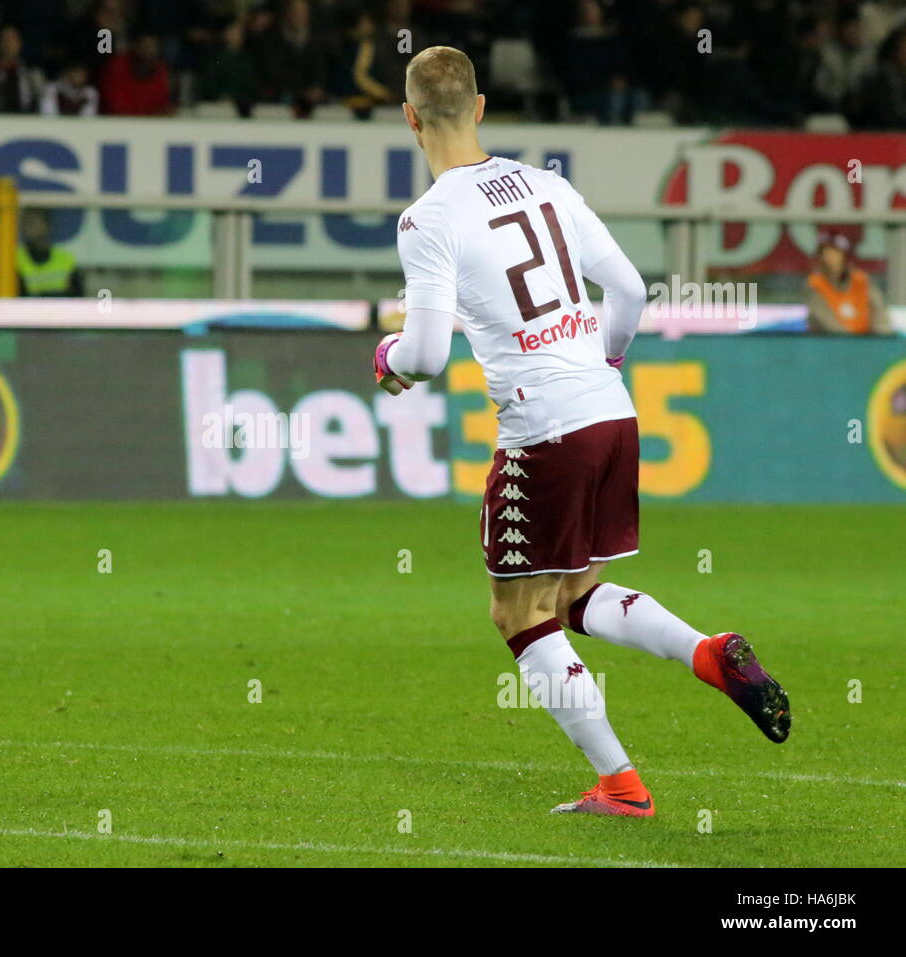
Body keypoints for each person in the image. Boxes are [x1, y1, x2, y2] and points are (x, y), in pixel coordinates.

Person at [373, 46, 790, 817]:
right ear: (482, 107)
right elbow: (629, 287)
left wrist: (386, 356)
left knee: (518, 612)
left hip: (544, 429)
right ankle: (707, 652)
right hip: (611, 410)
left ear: (410, 118)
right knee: (569, 593)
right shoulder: (548, 184)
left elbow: (426, 354)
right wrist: (606, 360)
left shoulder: (427, 219)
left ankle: (622, 786)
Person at [806, 232, 890, 335]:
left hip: (867, 342)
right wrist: (849, 341)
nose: (830, 258)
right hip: (829, 343)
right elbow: (825, 320)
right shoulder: (814, 284)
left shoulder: (861, 281)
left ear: (845, 256)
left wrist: (881, 338)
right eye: (825, 253)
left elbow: (879, 314)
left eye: (835, 252)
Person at [16, 208, 83, 297]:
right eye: (25, 223)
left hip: (62, 309)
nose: (27, 228)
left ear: (48, 226)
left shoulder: (66, 259)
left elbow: (78, 297)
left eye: (32, 222)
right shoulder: (16, 259)